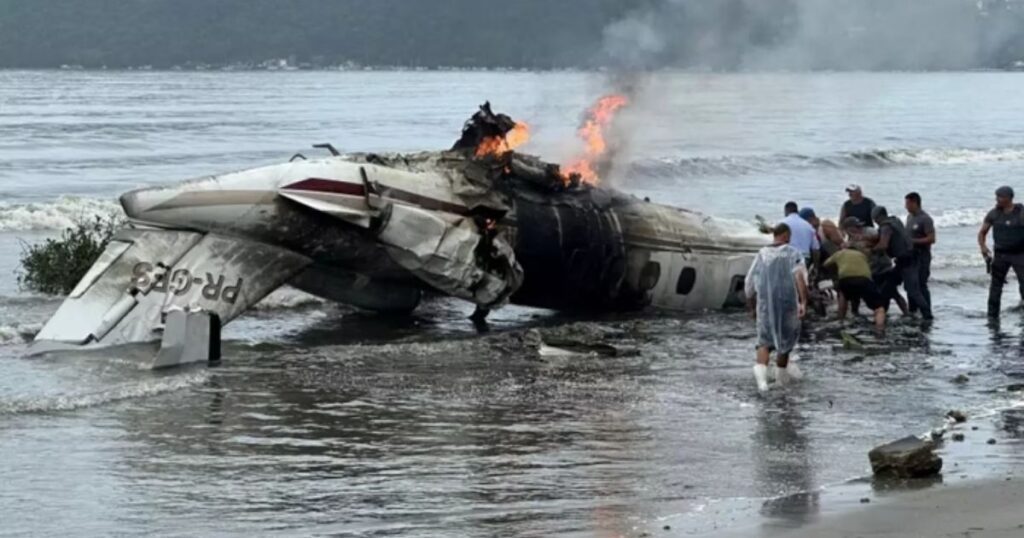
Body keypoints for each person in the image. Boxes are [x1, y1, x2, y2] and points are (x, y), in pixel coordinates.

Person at [745, 223, 809, 392]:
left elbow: (749, 283)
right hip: (788, 305)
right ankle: (781, 382)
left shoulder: (762, 253)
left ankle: (762, 383)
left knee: (764, 343)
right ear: (787, 235)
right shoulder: (794, 253)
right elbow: (800, 279)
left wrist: (751, 306)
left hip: (765, 305)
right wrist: (803, 302)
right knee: (785, 343)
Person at [873, 205, 932, 320]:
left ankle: (927, 316)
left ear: (878, 218)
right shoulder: (895, 220)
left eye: (875, 220)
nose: (875, 222)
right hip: (905, 261)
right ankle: (885, 313)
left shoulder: (886, 226)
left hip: (908, 262)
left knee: (913, 291)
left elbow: (883, 245)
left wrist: (871, 249)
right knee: (888, 286)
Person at [978, 186, 1024, 318]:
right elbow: (982, 233)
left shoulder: (1020, 212)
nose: (997, 199)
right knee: (995, 288)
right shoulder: (994, 213)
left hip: (1019, 255)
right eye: (996, 196)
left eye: (1000, 197)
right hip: (1000, 255)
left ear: (1009, 198)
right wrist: (983, 247)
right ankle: (992, 316)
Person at [824, 245, 887, 330]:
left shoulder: (839, 253)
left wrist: (834, 271)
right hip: (864, 280)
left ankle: (840, 320)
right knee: (879, 308)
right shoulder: (862, 255)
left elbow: (825, 264)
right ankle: (879, 329)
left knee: (843, 295)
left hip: (845, 280)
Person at [904, 192, 935, 315]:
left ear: (914, 203)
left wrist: (913, 241)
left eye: (907, 203)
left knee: (921, 284)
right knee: (910, 285)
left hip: (922, 256)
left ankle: (926, 312)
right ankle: (913, 310)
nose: (906, 206)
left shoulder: (925, 219)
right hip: (911, 256)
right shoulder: (909, 218)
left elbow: (931, 239)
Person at [782, 202, 821, 267]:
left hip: (788, 258)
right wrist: (816, 266)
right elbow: (816, 249)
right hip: (804, 259)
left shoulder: (782, 223)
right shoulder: (808, 225)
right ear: (797, 211)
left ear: (786, 211)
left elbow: (777, 244)